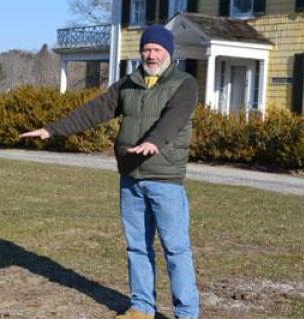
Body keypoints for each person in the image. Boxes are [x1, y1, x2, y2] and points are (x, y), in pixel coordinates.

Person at [20, 25, 200, 319]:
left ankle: (187, 313)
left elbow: (174, 119)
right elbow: (94, 111)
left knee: (176, 250)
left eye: (157, 50)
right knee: (137, 248)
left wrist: (153, 142)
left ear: (168, 53)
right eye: (146, 49)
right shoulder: (128, 84)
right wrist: (51, 130)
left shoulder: (184, 84)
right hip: (130, 179)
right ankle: (142, 308)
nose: (151, 55)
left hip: (165, 180)